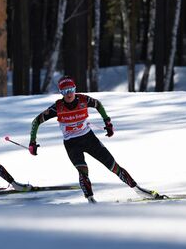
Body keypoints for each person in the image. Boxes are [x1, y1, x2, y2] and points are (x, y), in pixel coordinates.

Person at [28, 76, 159, 203]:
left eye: (71, 90)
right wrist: (32, 142)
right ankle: (90, 200)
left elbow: (98, 105)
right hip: (72, 144)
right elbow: (36, 122)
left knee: (113, 166)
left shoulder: (84, 100)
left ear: (75, 89)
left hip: (89, 139)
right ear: (61, 93)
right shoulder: (57, 107)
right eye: (65, 91)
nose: (69, 94)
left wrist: (107, 122)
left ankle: (138, 189)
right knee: (83, 171)